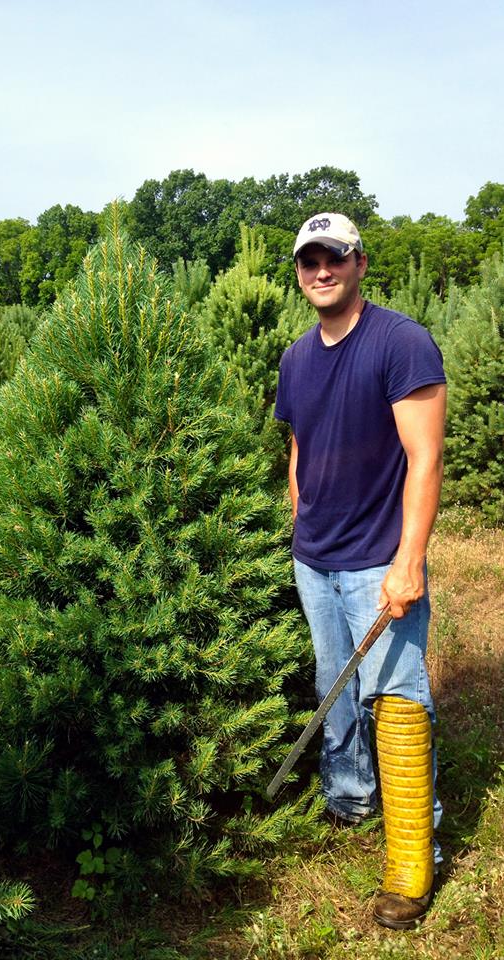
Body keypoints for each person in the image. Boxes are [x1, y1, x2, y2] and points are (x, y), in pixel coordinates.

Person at [274, 213, 447, 930]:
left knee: (393, 696)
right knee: (332, 686)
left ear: (358, 263)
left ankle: (411, 862)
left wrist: (407, 561)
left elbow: (425, 457)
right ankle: (349, 801)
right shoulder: (294, 357)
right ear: (298, 271)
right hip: (313, 558)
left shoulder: (399, 342)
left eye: (334, 257)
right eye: (309, 259)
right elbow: (298, 447)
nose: (321, 269)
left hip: (379, 560)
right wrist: (298, 518)